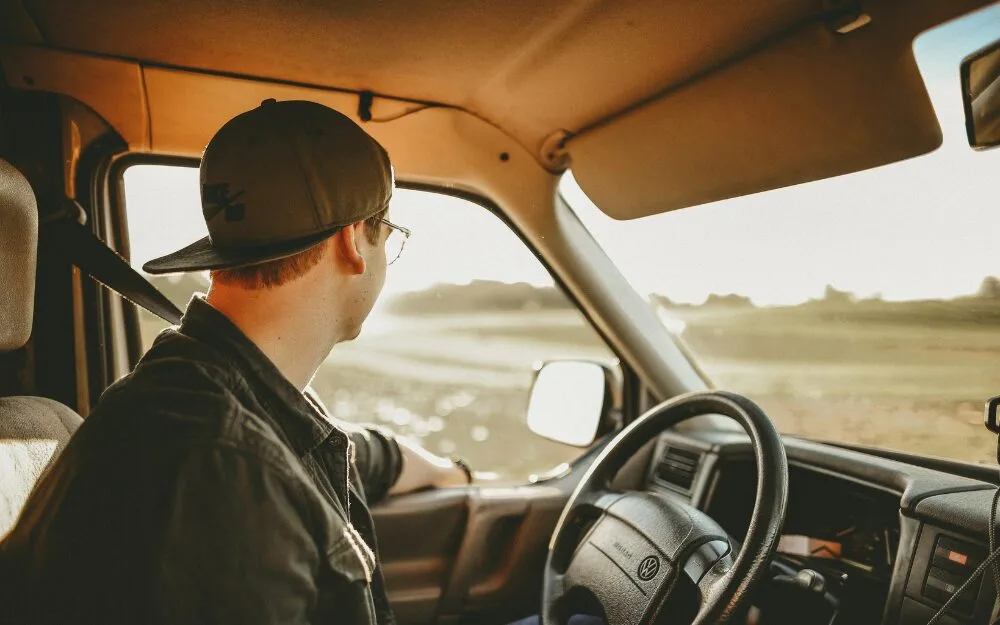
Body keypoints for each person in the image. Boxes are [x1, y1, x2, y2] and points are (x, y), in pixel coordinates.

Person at [0, 99, 470, 625]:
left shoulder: (209, 388)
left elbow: (343, 450)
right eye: (390, 236)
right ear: (355, 240)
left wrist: (451, 473)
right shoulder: (223, 474)